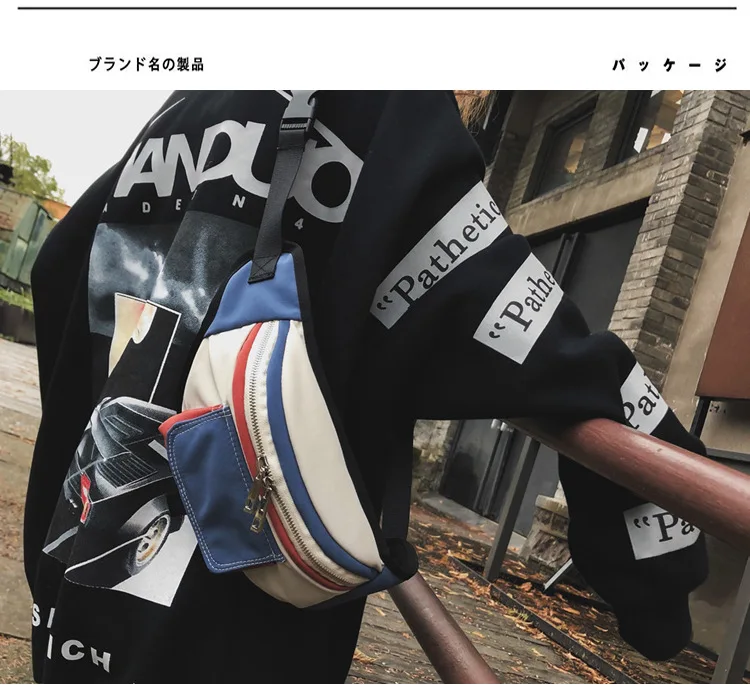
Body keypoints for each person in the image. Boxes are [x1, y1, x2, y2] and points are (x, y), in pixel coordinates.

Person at [24, 90, 708, 683]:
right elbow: (522, 330)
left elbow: (58, 266)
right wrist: (661, 576)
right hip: (230, 615)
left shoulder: (192, 103)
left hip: (75, 572)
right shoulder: (382, 111)